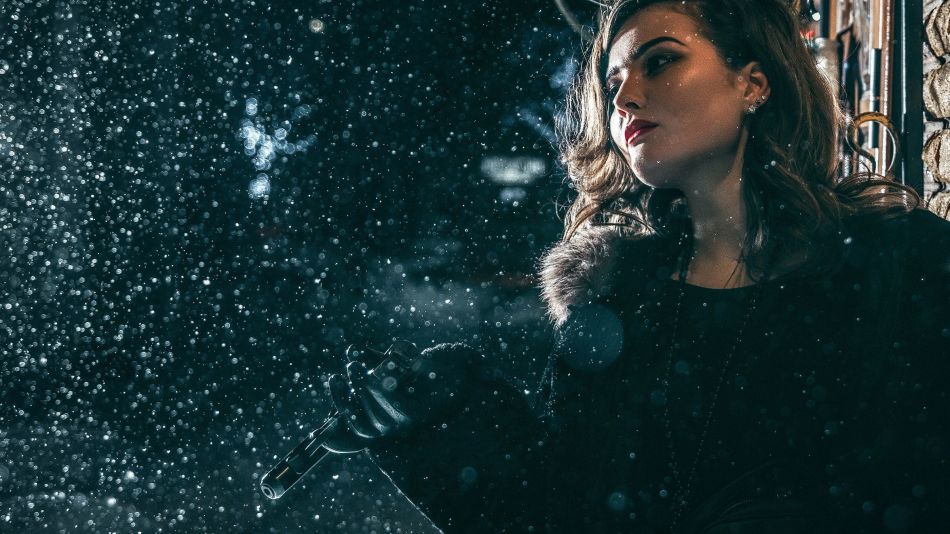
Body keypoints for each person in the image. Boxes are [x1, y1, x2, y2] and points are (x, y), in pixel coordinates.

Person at [323, 0, 950, 532]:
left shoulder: (901, 267)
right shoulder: (618, 303)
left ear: (752, 83)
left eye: (661, 61)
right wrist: (438, 416)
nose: (624, 96)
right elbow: (557, 508)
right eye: (612, 81)